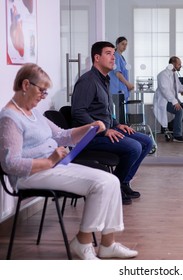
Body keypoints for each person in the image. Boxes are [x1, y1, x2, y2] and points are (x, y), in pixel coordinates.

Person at [0, 63, 138, 260]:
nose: (43, 96)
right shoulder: (10, 118)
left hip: (52, 166)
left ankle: (108, 244)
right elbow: (10, 164)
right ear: (25, 85)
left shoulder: (33, 113)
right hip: (30, 175)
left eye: (45, 92)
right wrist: (49, 161)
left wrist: (90, 127)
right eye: (41, 90)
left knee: (111, 180)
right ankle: (82, 243)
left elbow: (63, 136)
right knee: (101, 183)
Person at [71, 41, 153, 205]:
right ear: (97, 57)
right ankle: (113, 187)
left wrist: (116, 124)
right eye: (108, 53)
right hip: (90, 137)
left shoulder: (104, 79)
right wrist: (103, 130)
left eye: (113, 54)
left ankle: (123, 182)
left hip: (106, 130)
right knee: (134, 147)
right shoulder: (88, 81)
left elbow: (104, 111)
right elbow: (78, 112)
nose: (113, 57)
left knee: (147, 141)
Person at [153, 56, 183, 143]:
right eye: (179, 64)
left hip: (171, 100)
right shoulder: (162, 75)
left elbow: (180, 87)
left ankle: (172, 126)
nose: (181, 66)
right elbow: (165, 91)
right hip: (164, 101)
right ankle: (177, 135)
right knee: (179, 111)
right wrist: (175, 102)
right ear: (172, 64)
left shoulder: (174, 74)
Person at [109, 36, 134, 101]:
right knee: (118, 110)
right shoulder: (116, 56)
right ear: (117, 45)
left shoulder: (121, 57)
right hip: (117, 89)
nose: (125, 46)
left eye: (126, 44)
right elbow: (117, 73)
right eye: (122, 44)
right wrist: (128, 84)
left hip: (121, 89)